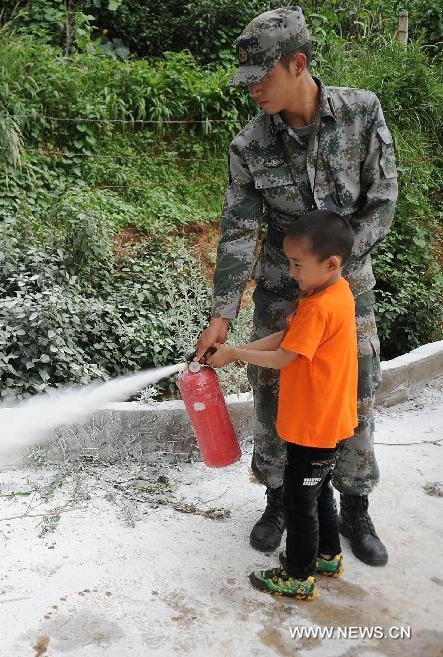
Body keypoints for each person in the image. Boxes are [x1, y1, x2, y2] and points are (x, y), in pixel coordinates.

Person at [194, 6, 397, 566]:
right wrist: (222, 317)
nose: (253, 90)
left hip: (346, 290)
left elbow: (382, 199)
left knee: (352, 396)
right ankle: (279, 499)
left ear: (297, 63)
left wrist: (340, 265)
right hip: (282, 292)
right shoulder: (249, 145)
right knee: (275, 398)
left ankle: (354, 505)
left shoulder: (361, 113)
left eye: (262, 77)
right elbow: (240, 230)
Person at [205, 209, 356, 600]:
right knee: (318, 491)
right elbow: (286, 339)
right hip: (325, 420)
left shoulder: (320, 306)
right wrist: (233, 351)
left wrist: (237, 352)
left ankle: (298, 576)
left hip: (314, 424)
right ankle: (327, 555)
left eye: (296, 264)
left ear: (331, 263)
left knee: (299, 500)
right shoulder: (332, 293)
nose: (290, 272)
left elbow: (284, 357)